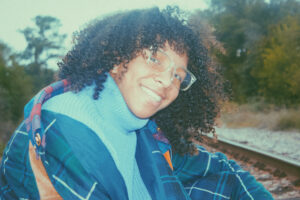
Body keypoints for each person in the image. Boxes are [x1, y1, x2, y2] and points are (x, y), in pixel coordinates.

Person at [0, 6, 273, 199]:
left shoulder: (141, 129)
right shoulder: (62, 132)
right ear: (120, 58)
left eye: (178, 75)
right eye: (155, 58)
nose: (168, 81)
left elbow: (223, 172)